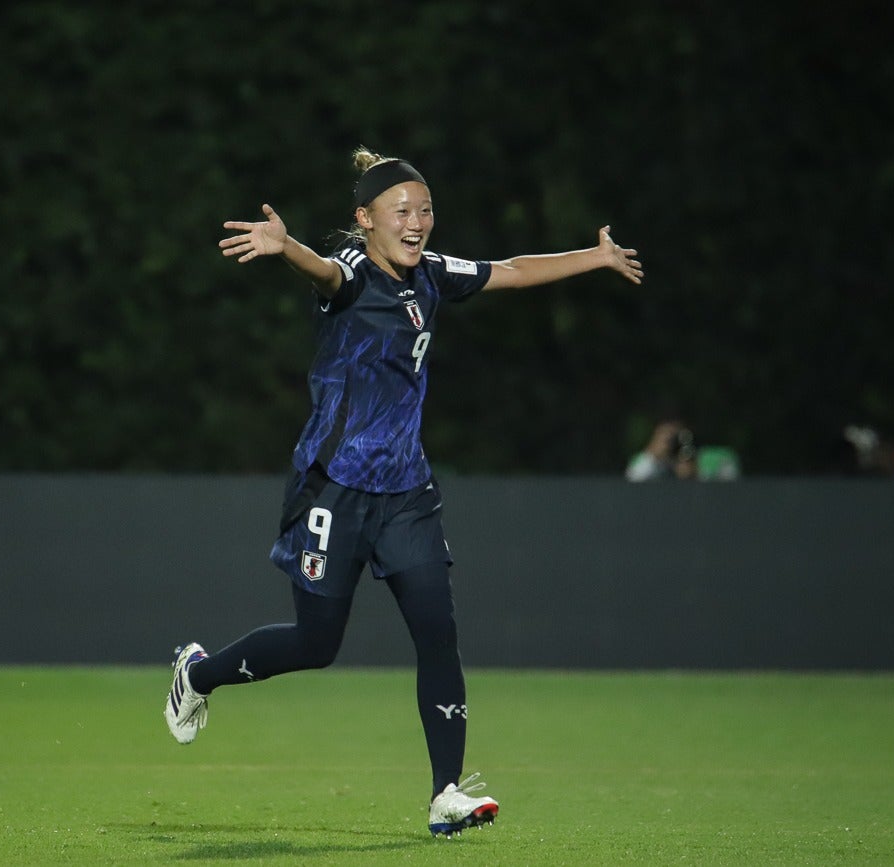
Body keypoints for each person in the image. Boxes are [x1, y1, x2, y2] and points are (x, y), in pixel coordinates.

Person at [164, 147, 642, 837]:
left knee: (437, 634)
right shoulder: (354, 278)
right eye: (401, 212)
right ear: (366, 219)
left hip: (407, 493)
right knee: (315, 643)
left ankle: (446, 791)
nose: (417, 223)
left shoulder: (434, 275)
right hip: (333, 490)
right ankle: (199, 674)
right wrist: (284, 244)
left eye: (424, 210)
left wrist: (592, 258)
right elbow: (323, 269)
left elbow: (509, 270)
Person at [625, 418, 698, 481]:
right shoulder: (642, 461)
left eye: (674, 440)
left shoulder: (676, 461)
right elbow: (634, 481)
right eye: (667, 440)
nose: (670, 445)